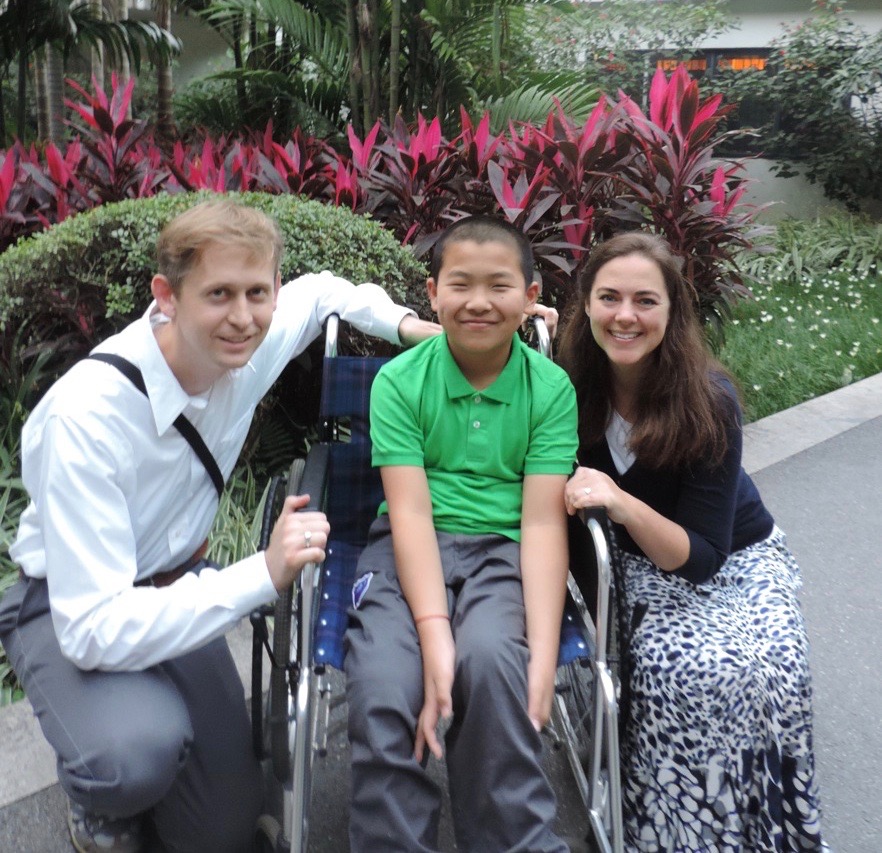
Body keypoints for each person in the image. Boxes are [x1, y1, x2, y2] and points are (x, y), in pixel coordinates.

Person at [0, 198, 439, 853]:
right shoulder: (84, 420)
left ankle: (164, 759)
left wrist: (416, 328)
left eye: (257, 292)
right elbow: (93, 629)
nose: (243, 317)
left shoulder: (247, 344)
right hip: (68, 607)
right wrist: (263, 571)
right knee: (134, 755)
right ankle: (98, 804)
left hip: (178, 582)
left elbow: (322, 294)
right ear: (167, 295)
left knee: (223, 830)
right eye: (218, 294)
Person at [557, 232, 826, 852]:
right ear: (587, 305)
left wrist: (622, 503)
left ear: (673, 312)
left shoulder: (708, 400)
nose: (626, 316)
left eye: (646, 301)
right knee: (692, 670)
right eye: (610, 298)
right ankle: (678, 826)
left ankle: (763, 825)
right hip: (631, 567)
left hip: (730, 557)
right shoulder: (564, 389)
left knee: (772, 668)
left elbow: (703, 559)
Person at [344, 215, 578, 852]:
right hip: (403, 549)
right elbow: (411, 513)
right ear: (433, 293)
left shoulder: (550, 387)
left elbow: (540, 520)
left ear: (531, 297)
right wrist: (433, 631)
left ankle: (515, 841)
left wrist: (546, 653)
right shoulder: (400, 381)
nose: (478, 302)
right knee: (384, 687)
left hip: (503, 551)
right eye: (461, 284)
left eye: (499, 285)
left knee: (496, 664)